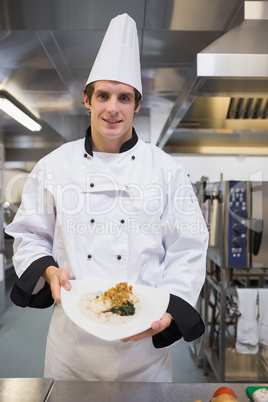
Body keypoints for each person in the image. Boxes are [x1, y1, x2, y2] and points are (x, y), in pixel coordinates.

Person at [6, 14, 208, 382]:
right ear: (87, 99)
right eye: (103, 95)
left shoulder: (166, 171)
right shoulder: (54, 166)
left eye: (124, 97)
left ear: (137, 105)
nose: (112, 108)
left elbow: (188, 249)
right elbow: (30, 235)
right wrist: (49, 270)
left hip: (142, 349)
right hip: (72, 348)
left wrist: (168, 312)